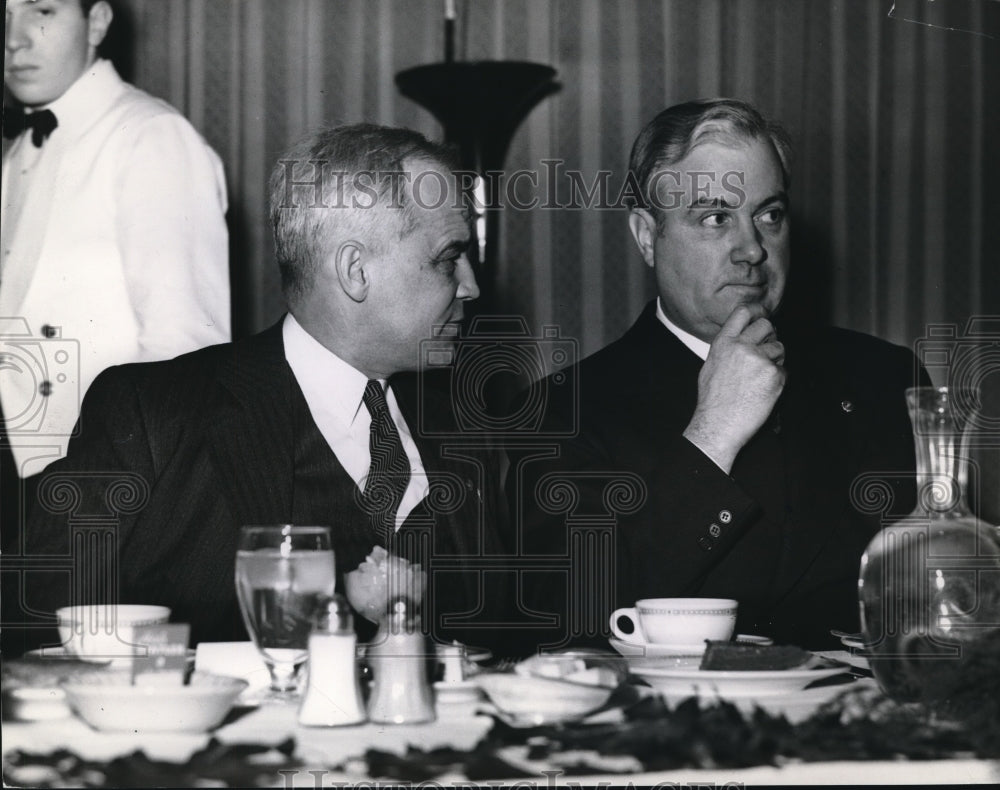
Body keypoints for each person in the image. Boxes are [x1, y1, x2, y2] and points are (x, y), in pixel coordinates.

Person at [2, 123, 509, 654]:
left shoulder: (470, 427)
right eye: (449, 258)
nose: (471, 286)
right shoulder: (153, 415)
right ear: (356, 270)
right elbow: (26, 630)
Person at [509, 99, 928, 651]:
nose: (753, 248)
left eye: (769, 214)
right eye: (714, 218)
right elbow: (563, 620)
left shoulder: (882, 377)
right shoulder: (560, 413)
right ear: (645, 235)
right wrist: (711, 437)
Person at [1, 0, 230, 507]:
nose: (14, 38)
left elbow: (187, 357)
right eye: (4, 12)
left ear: (98, 22)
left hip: (95, 483)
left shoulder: (152, 138)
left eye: (41, 10)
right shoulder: (18, 150)